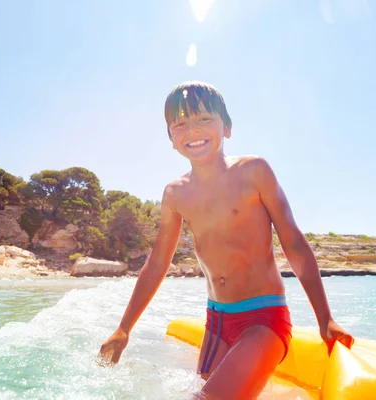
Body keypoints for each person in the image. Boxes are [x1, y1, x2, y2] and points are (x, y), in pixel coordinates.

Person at [98, 81, 354, 399]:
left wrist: (325, 319)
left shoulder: (253, 171)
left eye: (205, 119)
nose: (193, 130)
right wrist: (124, 328)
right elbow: (158, 263)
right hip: (216, 324)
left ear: (227, 127)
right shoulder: (175, 194)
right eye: (181, 124)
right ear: (171, 138)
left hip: (264, 319)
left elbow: (293, 242)